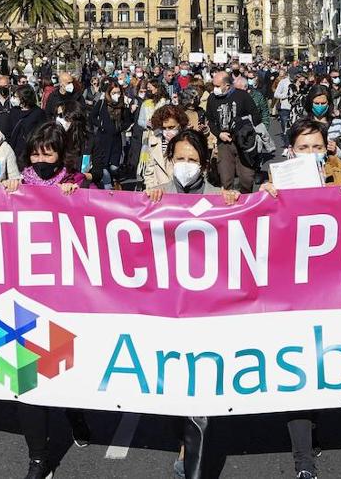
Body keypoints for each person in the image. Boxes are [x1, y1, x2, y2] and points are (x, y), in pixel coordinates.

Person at [143, 130, 240, 479]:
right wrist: (147, 201)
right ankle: (182, 440)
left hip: (206, 311)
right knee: (174, 389)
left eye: (193, 160)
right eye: (180, 159)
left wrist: (241, 202)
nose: (187, 166)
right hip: (168, 311)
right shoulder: (158, 196)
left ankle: (192, 467)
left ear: (204, 163)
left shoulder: (219, 198)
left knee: (199, 394)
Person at [0, 122, 92, 479]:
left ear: (61, 154)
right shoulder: (17, 186)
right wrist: (6, 192)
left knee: (65, 371)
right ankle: (38, 458)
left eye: (48, 153)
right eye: (36, 153)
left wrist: (79, 199)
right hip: (24, 296)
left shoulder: (79, 185)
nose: (41, 160)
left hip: (68, 295)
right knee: (27, 379)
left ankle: (77, 415)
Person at [205, 71, 260, 193]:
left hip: (243, 141)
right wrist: (219, 133)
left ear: (227, 86)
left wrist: (244, 127)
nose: (215, 89)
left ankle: (246, 201)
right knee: (225, 178)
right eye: (214, 85)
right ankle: (229, 203)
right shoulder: (212, 98)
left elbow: (256, 116)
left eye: (218, 86)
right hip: (224, 143)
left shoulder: (242, 96)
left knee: (246, 178)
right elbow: (210, 120)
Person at [285, 118, 341, 186]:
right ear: (291, 150)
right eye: (303, 148)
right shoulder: (278, 179)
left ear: (325, 149)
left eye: (318, 148)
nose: (311, 153)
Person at [89, 80, 133, 189]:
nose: (116, 95)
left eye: (118, 93)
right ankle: (108, 187)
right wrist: (101, 125)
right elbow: (92, 117)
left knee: (114, 167)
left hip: (116, 140)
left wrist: (120, 128)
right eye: (114, 93)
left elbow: (128, 120)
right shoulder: (102, 103)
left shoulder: (123, 105)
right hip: (102, 139)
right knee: (104, 167)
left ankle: (116, 179)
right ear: (109, 93)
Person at [138, 104, 186, 189]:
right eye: (164, 128)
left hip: (179, 192)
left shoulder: (187, 142)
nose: (167, 131)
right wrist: (151, 189)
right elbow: (149, 171)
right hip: (158, 193)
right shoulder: (154, 141)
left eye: (171, 127)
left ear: (179, 124)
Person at [9, 84, 47, 160]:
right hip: (14, 150)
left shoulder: (38, 113)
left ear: (23, 98)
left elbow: (42, 133)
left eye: (15, 97)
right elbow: (8, 129)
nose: (13, 99)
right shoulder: (14, 111)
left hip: (30, 151)